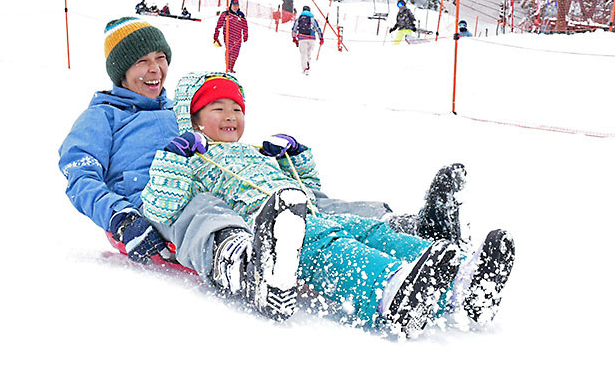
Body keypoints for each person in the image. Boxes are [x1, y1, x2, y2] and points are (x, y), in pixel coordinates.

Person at [141, 71, 515, 336]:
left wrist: (295, 155)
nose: (231, 116)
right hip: (272, 229)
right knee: (328, 245)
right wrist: (175, 156)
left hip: (310, 212)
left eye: (236, 109)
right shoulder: (190, 158)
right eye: (217, 109)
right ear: (192, 119)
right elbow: (162, 207)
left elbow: (310, 187)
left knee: (367, 230)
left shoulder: (253, 153)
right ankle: (388, 292)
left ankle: (464, 280)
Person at [213, 0, 249, 73]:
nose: (235, 7)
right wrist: (216, 36)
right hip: (228, 36)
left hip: (238, 37)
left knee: (235, 53)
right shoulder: (226, 14)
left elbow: (245, 26)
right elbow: (218, 26)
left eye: (237, 5)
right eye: (234, 5)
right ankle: (228, 67)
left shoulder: (241, 15)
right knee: (229, 51)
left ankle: (231, 67)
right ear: (230, 5)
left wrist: (245, 35)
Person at [292, 5, 324, 75]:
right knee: (308, 53)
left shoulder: (299, 19)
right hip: (311, 38)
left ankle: (305, 69)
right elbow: (317, 28)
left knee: (303, 54)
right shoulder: (312, 19)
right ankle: (308, 63)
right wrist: (321, 38)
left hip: (302, 38)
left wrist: (294, 38)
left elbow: (294, 29)